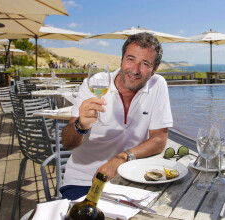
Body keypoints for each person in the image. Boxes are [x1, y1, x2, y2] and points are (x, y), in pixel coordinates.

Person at [61, 32, 173, 200]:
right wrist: (80, 126)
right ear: (121, 60)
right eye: (130, 59)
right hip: (83, 181)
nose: (135, 70)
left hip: (131, 180)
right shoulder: (94, 83)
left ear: (154, 70)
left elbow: (159, 140)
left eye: (145, 64)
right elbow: (67, 143)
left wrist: (122, 158)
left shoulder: (158, 85)